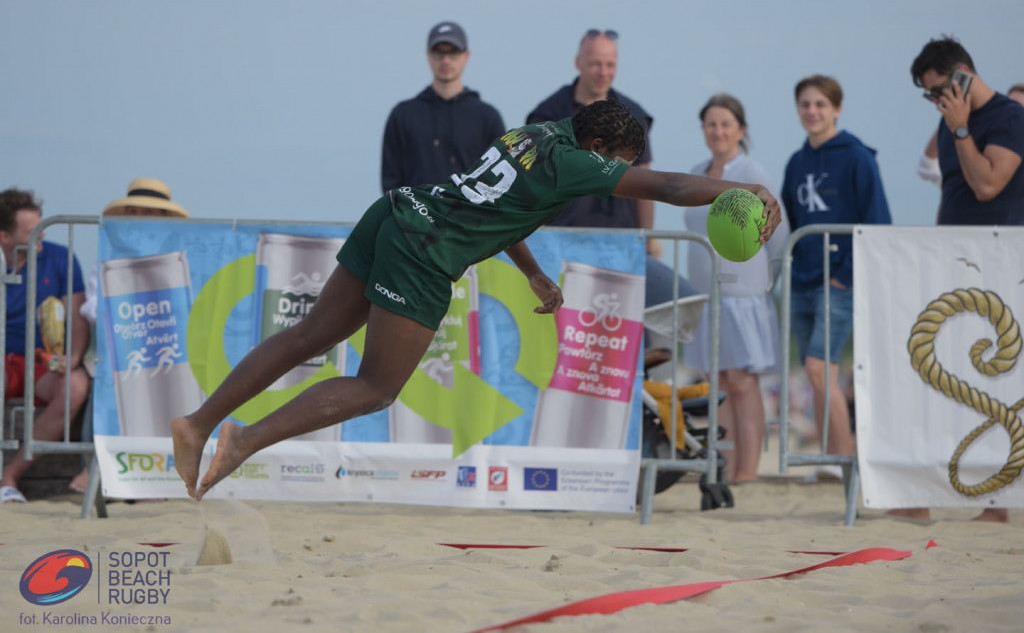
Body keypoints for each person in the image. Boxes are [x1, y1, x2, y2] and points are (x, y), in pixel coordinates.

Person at [170, 100, 782, 501]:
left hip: (396, 212)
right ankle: (242, 441)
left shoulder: (531, 133)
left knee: (308, 337)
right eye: (616, 165)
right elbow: (670, 185)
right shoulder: (579, 161)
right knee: (377, 388)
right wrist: (745, 187)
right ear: (600, 146)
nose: (615, 177)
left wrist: (534, 274)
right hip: (425, 250)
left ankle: (197, 425)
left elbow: (499, 208)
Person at [898, 37, 1024, 523]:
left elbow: (987, 183)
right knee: (936, 374)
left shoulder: (1009, 119)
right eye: (930, 96)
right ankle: (922, 490)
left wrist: (960, 129)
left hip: (999, 268)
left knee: (994, 385)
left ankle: (997, 500)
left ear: (963, 75)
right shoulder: (954, 121)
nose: (937, 102)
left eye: (939, 90)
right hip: (955, 263)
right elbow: (952, 191)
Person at [526, 28, 695, 337]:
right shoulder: (547, 113)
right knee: (564, 333)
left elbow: (646, 176)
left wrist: (649, 238)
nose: (602, 72)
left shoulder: (634, 115)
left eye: (610, 64)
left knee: (621, 332)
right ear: (578, 62)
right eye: (595, 63)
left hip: (618, 242)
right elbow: (533, 179)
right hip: (561, 241)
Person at [780, 75, 892, 479]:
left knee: (819, 368)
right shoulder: (796, 162)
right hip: (803, 280)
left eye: (821, 105)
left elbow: (878, 221)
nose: (812, 111)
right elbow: (791, 222)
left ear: (837, 109)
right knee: (818, 374)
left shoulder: (858, 157)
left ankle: (845, 463)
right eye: (806, 104)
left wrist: (844, 276)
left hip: (839, 281)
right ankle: (831, 459)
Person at [684, 94, 789, 482]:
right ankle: (723, 467)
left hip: (744, 294)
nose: (718, 131)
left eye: (726, 124)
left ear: (740, 130)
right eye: (711, 124)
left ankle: (748, 470)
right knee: (718, 382)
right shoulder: (696, 171)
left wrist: (764, 283)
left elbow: (779, 237)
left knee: (744, 382)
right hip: (705, 292)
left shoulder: (754, 172)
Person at [68, 178, 190, 494]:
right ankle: (94, 469)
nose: (141, 217)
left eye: (149, 212)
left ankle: (154, 478)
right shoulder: (110, 254)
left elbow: (187, 307)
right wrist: (129, 308)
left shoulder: (182, 255)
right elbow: (92, 307)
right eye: (135, 211)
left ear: (163, 219)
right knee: (105, 391)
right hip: (118, 350)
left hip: (166, 351)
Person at [0, 189, 90, 503]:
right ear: (4, 237)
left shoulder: (59, 257)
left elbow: (79, 319)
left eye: (42, 226)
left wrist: (74, 357)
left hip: (39, 360)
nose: (42, 234)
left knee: (76, 385)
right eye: (32, 231)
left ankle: (10, 477)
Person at [381, 21, 505, 193]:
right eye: (438, 52)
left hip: (470, 217)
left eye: (453, 52)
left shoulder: (487, 117)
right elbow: (390, 180)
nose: (445, 60)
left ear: (466, 56)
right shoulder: (403, 115)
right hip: (417, 217)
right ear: (428, 55)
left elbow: (499, 178)